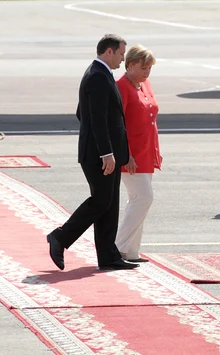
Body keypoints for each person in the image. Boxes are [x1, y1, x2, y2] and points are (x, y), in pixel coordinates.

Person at [46, 34, 139, 271]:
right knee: (101, 201)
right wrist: (106, 152)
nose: (122, 59)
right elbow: (96, 119)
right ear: (108, 52)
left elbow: (83, 114)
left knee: (109, 203)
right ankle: (60, 237)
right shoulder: (97, 76)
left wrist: (120, 151)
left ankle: (108, 256)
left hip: (108, 153)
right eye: (120, 54)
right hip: (99, 155)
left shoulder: (100, 74)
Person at [115, 45, 161, 263]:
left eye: (149, 68)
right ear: (130, 64)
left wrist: (155, 152)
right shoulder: (121, 87)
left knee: (137, 200)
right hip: (131, 154)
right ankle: (119, 247)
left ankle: (131, 250)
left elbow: (151, 119)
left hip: (146, 151)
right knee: (144, 197)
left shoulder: (144, 84)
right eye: (143, 67)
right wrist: (127, 155)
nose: (147, 72)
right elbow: (118, 125)